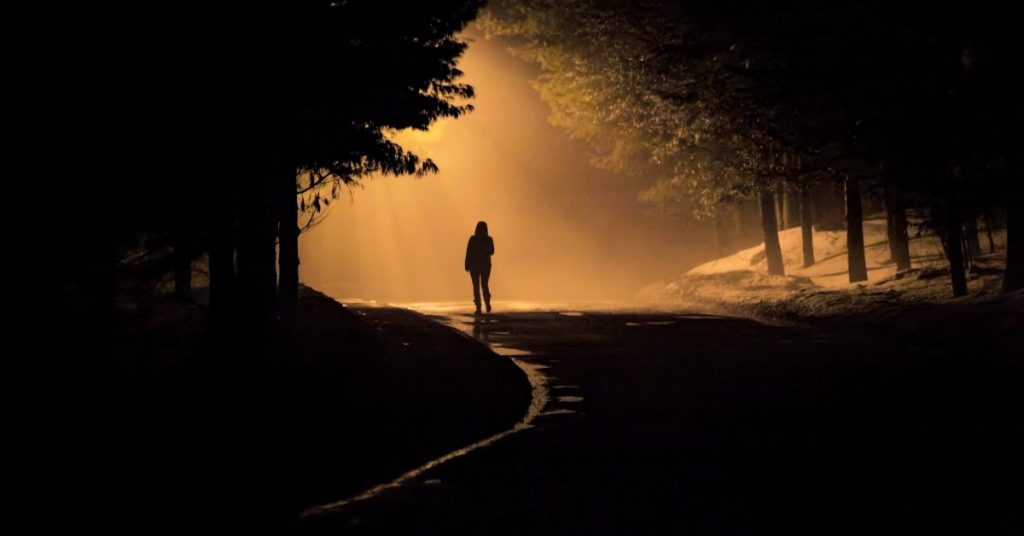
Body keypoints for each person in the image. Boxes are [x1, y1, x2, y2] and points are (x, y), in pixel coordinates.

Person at [464, 221, 494, 314]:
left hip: (475, 265)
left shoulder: (473, 239)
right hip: (483, 265)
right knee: (483, 285)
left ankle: (479, 307)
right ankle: (486, 304)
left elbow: (468, 252)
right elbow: (492, 251)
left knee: (477, 286)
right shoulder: (489, 239)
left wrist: (467, 263)